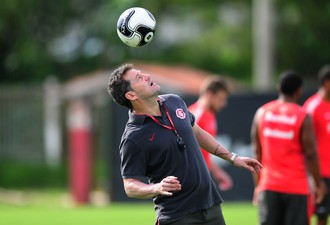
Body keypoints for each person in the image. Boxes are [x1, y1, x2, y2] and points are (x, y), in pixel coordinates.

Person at [107, 63, 262, 225]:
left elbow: (197, 132)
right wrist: (156, 188)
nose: (147, 76)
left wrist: (231, 157)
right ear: (131, 95)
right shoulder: (133, 136)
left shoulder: (174, 102)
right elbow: (130, 185)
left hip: (211, 207)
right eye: (139, 78)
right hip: (177, 217)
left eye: (142, 73)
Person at [250, 70, 327, 225]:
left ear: (279, 87)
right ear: (299, 91)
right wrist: (318, 184)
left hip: (269, 185)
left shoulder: (262, 113)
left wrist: (259, 186)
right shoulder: (303, 116)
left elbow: (257, 152)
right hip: (296, 188)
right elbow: (311, 153)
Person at [188, 77, 233, 191]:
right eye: (221, 99)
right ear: (209, 94)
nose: (223, 104)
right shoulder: (196, 115)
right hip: (193, 177)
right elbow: (187, 146)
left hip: (201, 176)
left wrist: (217, 172)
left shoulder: (210, 114)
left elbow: (204, 150)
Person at [303, 64, 330, 225]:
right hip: (320, 173)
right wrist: (312, 177)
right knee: (317, 216)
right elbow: (305, 145)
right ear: (327, 82)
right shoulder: (313, 108)